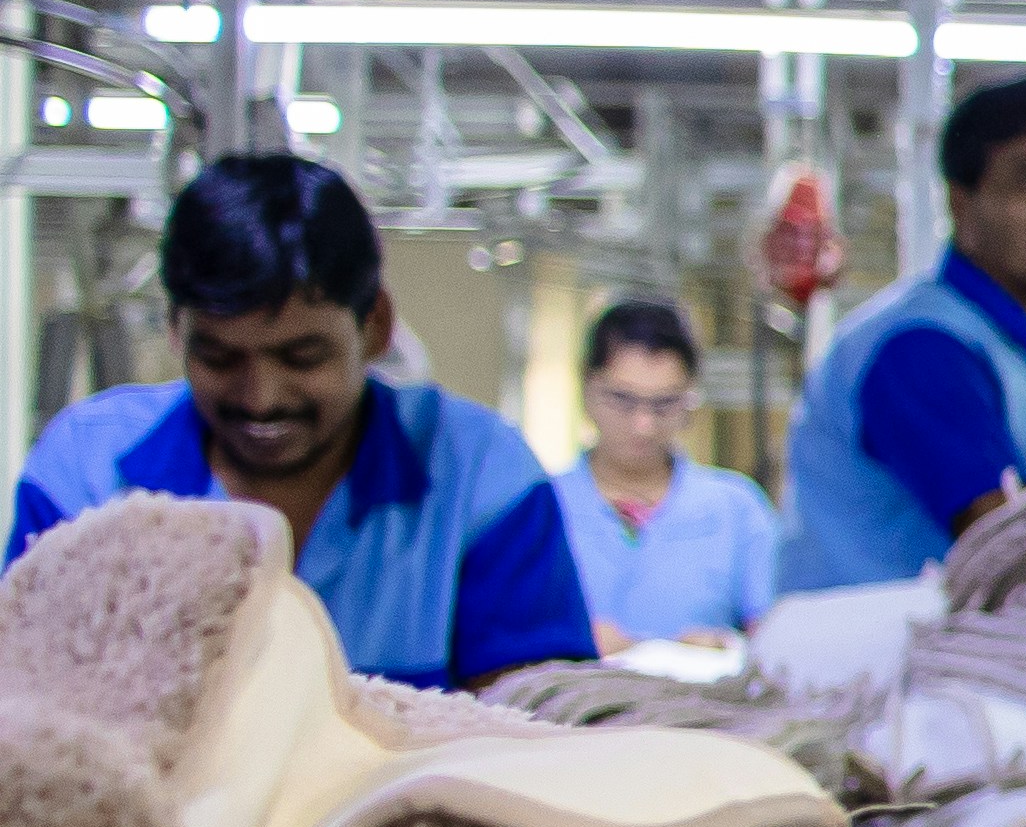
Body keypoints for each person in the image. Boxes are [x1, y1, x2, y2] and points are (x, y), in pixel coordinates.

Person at [13, 154, 596, 686]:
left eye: (302, 357)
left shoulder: (482, 477)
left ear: (376, 326)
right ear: (175, 330)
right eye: (219, 357)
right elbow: (31, 708)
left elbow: (533, 739)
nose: (261, 398)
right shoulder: (85, 472)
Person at [783, 74, 1026, 588]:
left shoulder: (1005, 349)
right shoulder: (924, 350)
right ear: (963, 204)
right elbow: (1012, 555)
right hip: (877, 663)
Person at [550, 294, 784, 649]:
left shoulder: (737, 510)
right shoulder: (543, 506)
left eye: (664, 404)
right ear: (587, 389)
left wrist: (727, 647)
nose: (643, 425)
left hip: (700, 702)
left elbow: (780, 636)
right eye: (623, 400)